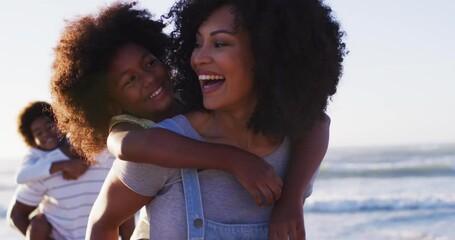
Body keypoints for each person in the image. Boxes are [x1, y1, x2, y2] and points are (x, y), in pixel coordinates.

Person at [49, 1, 340, 239]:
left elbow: (318, 122)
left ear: (268, 53)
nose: (198, 58)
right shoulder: (147, 139)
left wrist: (291, 200)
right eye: (198, 43)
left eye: (220, 44)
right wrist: (233, 159)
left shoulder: (296, 142)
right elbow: (105, 216)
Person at [7, 101, 134, 240]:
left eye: (49, 126)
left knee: (125, 212)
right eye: (38, 133)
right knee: (38, 223)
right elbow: (16, 214)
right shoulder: (41, 166)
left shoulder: (112, 153)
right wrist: (61, 165)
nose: (46, 134)